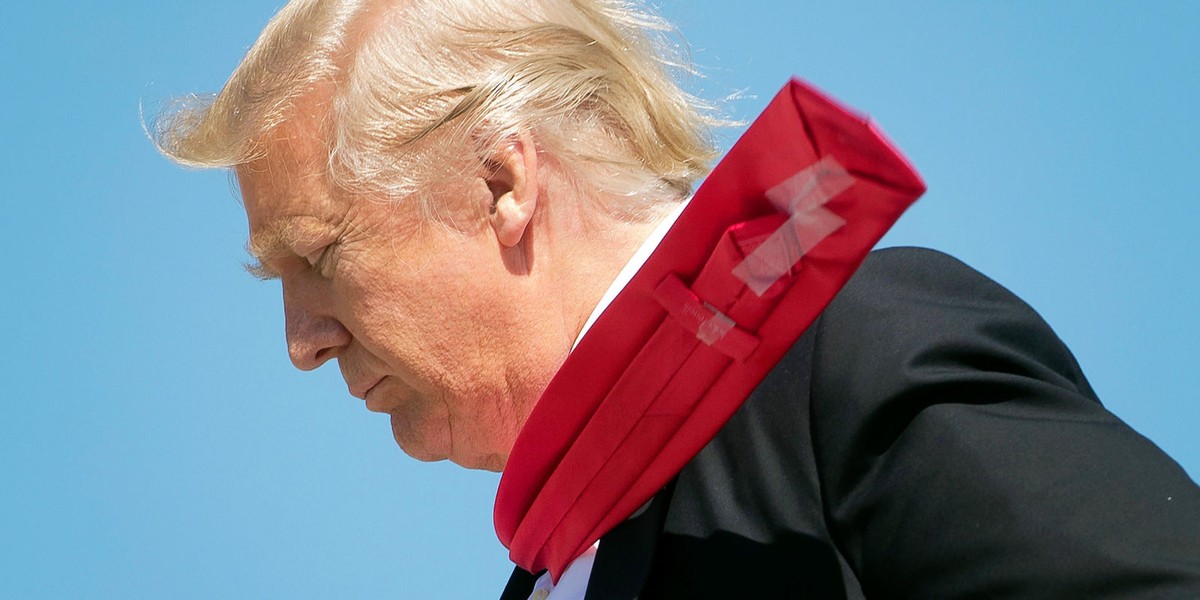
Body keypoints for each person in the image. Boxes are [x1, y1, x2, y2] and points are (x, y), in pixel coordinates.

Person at [152, 0, 1200, 597]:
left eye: (319, 257)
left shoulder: (850, 353)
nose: (301, 342)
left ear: (502, 185)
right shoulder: (551, 569)